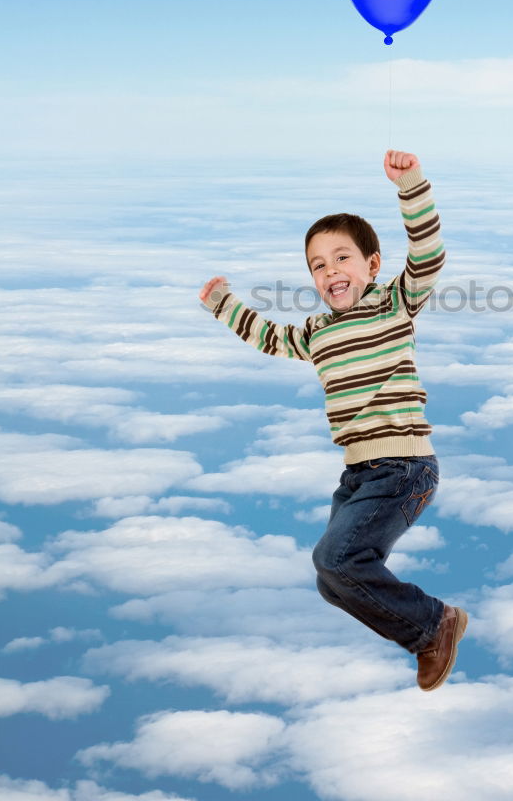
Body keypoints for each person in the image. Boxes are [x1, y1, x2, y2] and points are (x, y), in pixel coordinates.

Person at [199, 149, 467, 691]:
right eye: (318, 265)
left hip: (403, 467)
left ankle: (435, 624)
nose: (330, 271)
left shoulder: (396, 303)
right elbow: (268, 337)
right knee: (332, 579)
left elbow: (429, 253)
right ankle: (426, 626)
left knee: (336, 559)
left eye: (342, 258)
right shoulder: (317, 332)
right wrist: (223, 303)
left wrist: (410, 184)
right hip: (358, 475)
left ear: (371, 265)